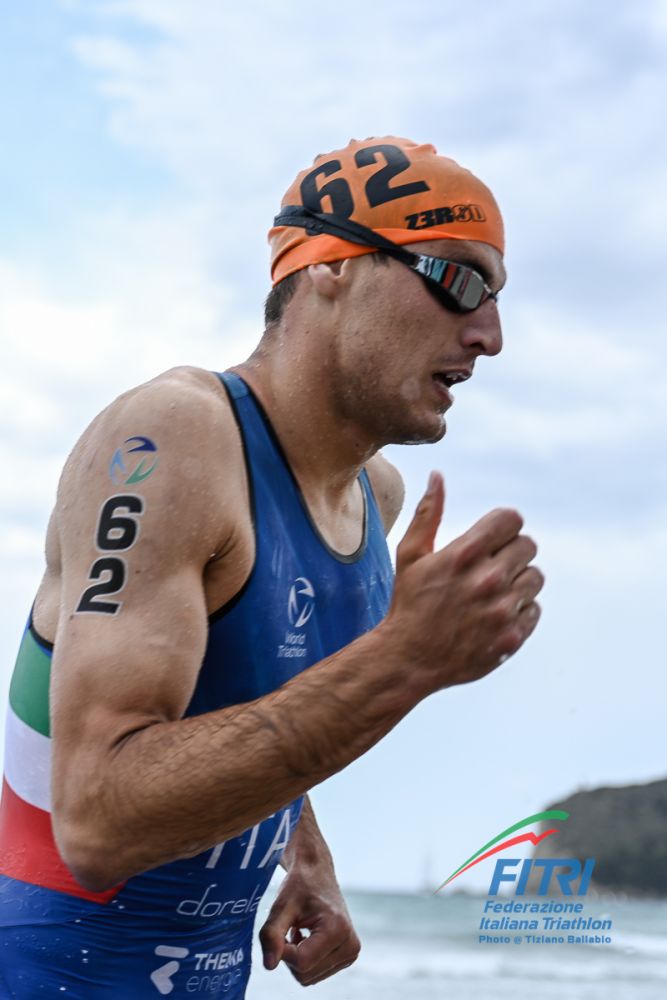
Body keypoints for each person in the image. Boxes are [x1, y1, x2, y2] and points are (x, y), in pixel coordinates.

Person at [0, 136, 543, 997]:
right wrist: (403, 661)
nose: (490, 336)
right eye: (458, 280)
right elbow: (96, 822)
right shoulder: (172, 440)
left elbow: (247, 696)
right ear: (329, 266)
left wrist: (304, 850)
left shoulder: (373, 495)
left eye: (497, 298)